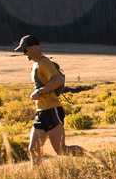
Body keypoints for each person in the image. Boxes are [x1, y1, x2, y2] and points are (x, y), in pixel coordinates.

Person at [14, 35, 84, 166]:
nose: (24, 53)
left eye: (26, 50)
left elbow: (58, 80)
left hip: (51, 109)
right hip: (41, 111)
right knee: (33, 149)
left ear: (35, 47)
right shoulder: (36, 64)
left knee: (61, 150)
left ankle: (96, 157)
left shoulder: (44, 62)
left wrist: (40, 91)